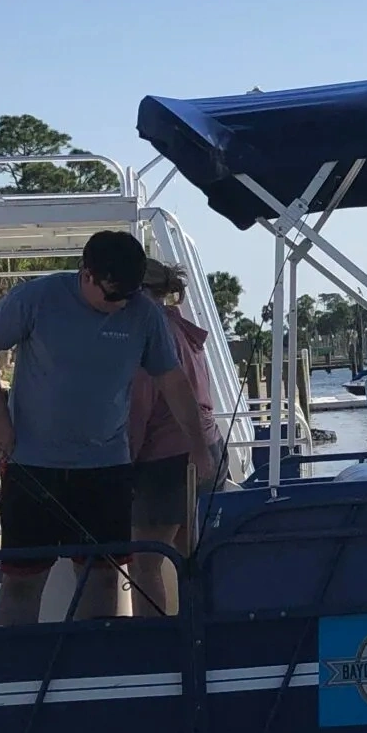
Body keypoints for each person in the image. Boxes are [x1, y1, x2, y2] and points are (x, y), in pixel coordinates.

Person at [0, 231, 212, 624]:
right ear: (86, 275)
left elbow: (173, 381)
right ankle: (13, 672)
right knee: (22, 580)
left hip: (106, 467)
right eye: (111, 295)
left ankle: (99, 670)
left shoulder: (144, 314)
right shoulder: (37, 298)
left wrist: (199, 447)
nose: (120, 305)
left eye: (129, 296)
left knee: (103, 577)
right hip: (33, 464)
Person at [126, 260, 221, 616]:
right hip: (205, 449)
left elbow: (139, 408)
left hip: (163, 462)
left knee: (146, 563)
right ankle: (201, 630)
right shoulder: (181, 327)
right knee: (192, 556)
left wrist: (123, 465)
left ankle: (155, 647)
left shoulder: (149, 333)